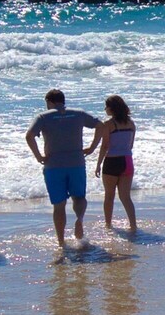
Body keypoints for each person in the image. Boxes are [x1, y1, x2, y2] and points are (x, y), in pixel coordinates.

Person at [25, 89, 102, 249]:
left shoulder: (43, 117)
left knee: (59, 205)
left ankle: (61, 241)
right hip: (77, 163)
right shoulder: (78, 113)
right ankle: (79, 220)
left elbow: (29, 135)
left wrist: (38, 156)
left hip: (54, 165)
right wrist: (92, 147)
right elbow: (100, 126)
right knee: (79, 197)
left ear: (49, 101)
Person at [85, 95, 138, 231]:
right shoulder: (131, 124)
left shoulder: (108, 124)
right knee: (126, 197)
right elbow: (130, 145)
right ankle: (133, 225)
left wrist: (98, 164)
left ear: (111, 108)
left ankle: (108, 225)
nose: (105, 109)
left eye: (106, 106)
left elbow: (105, 146)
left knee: (109, 196)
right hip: (127, 161)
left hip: (112, 161)